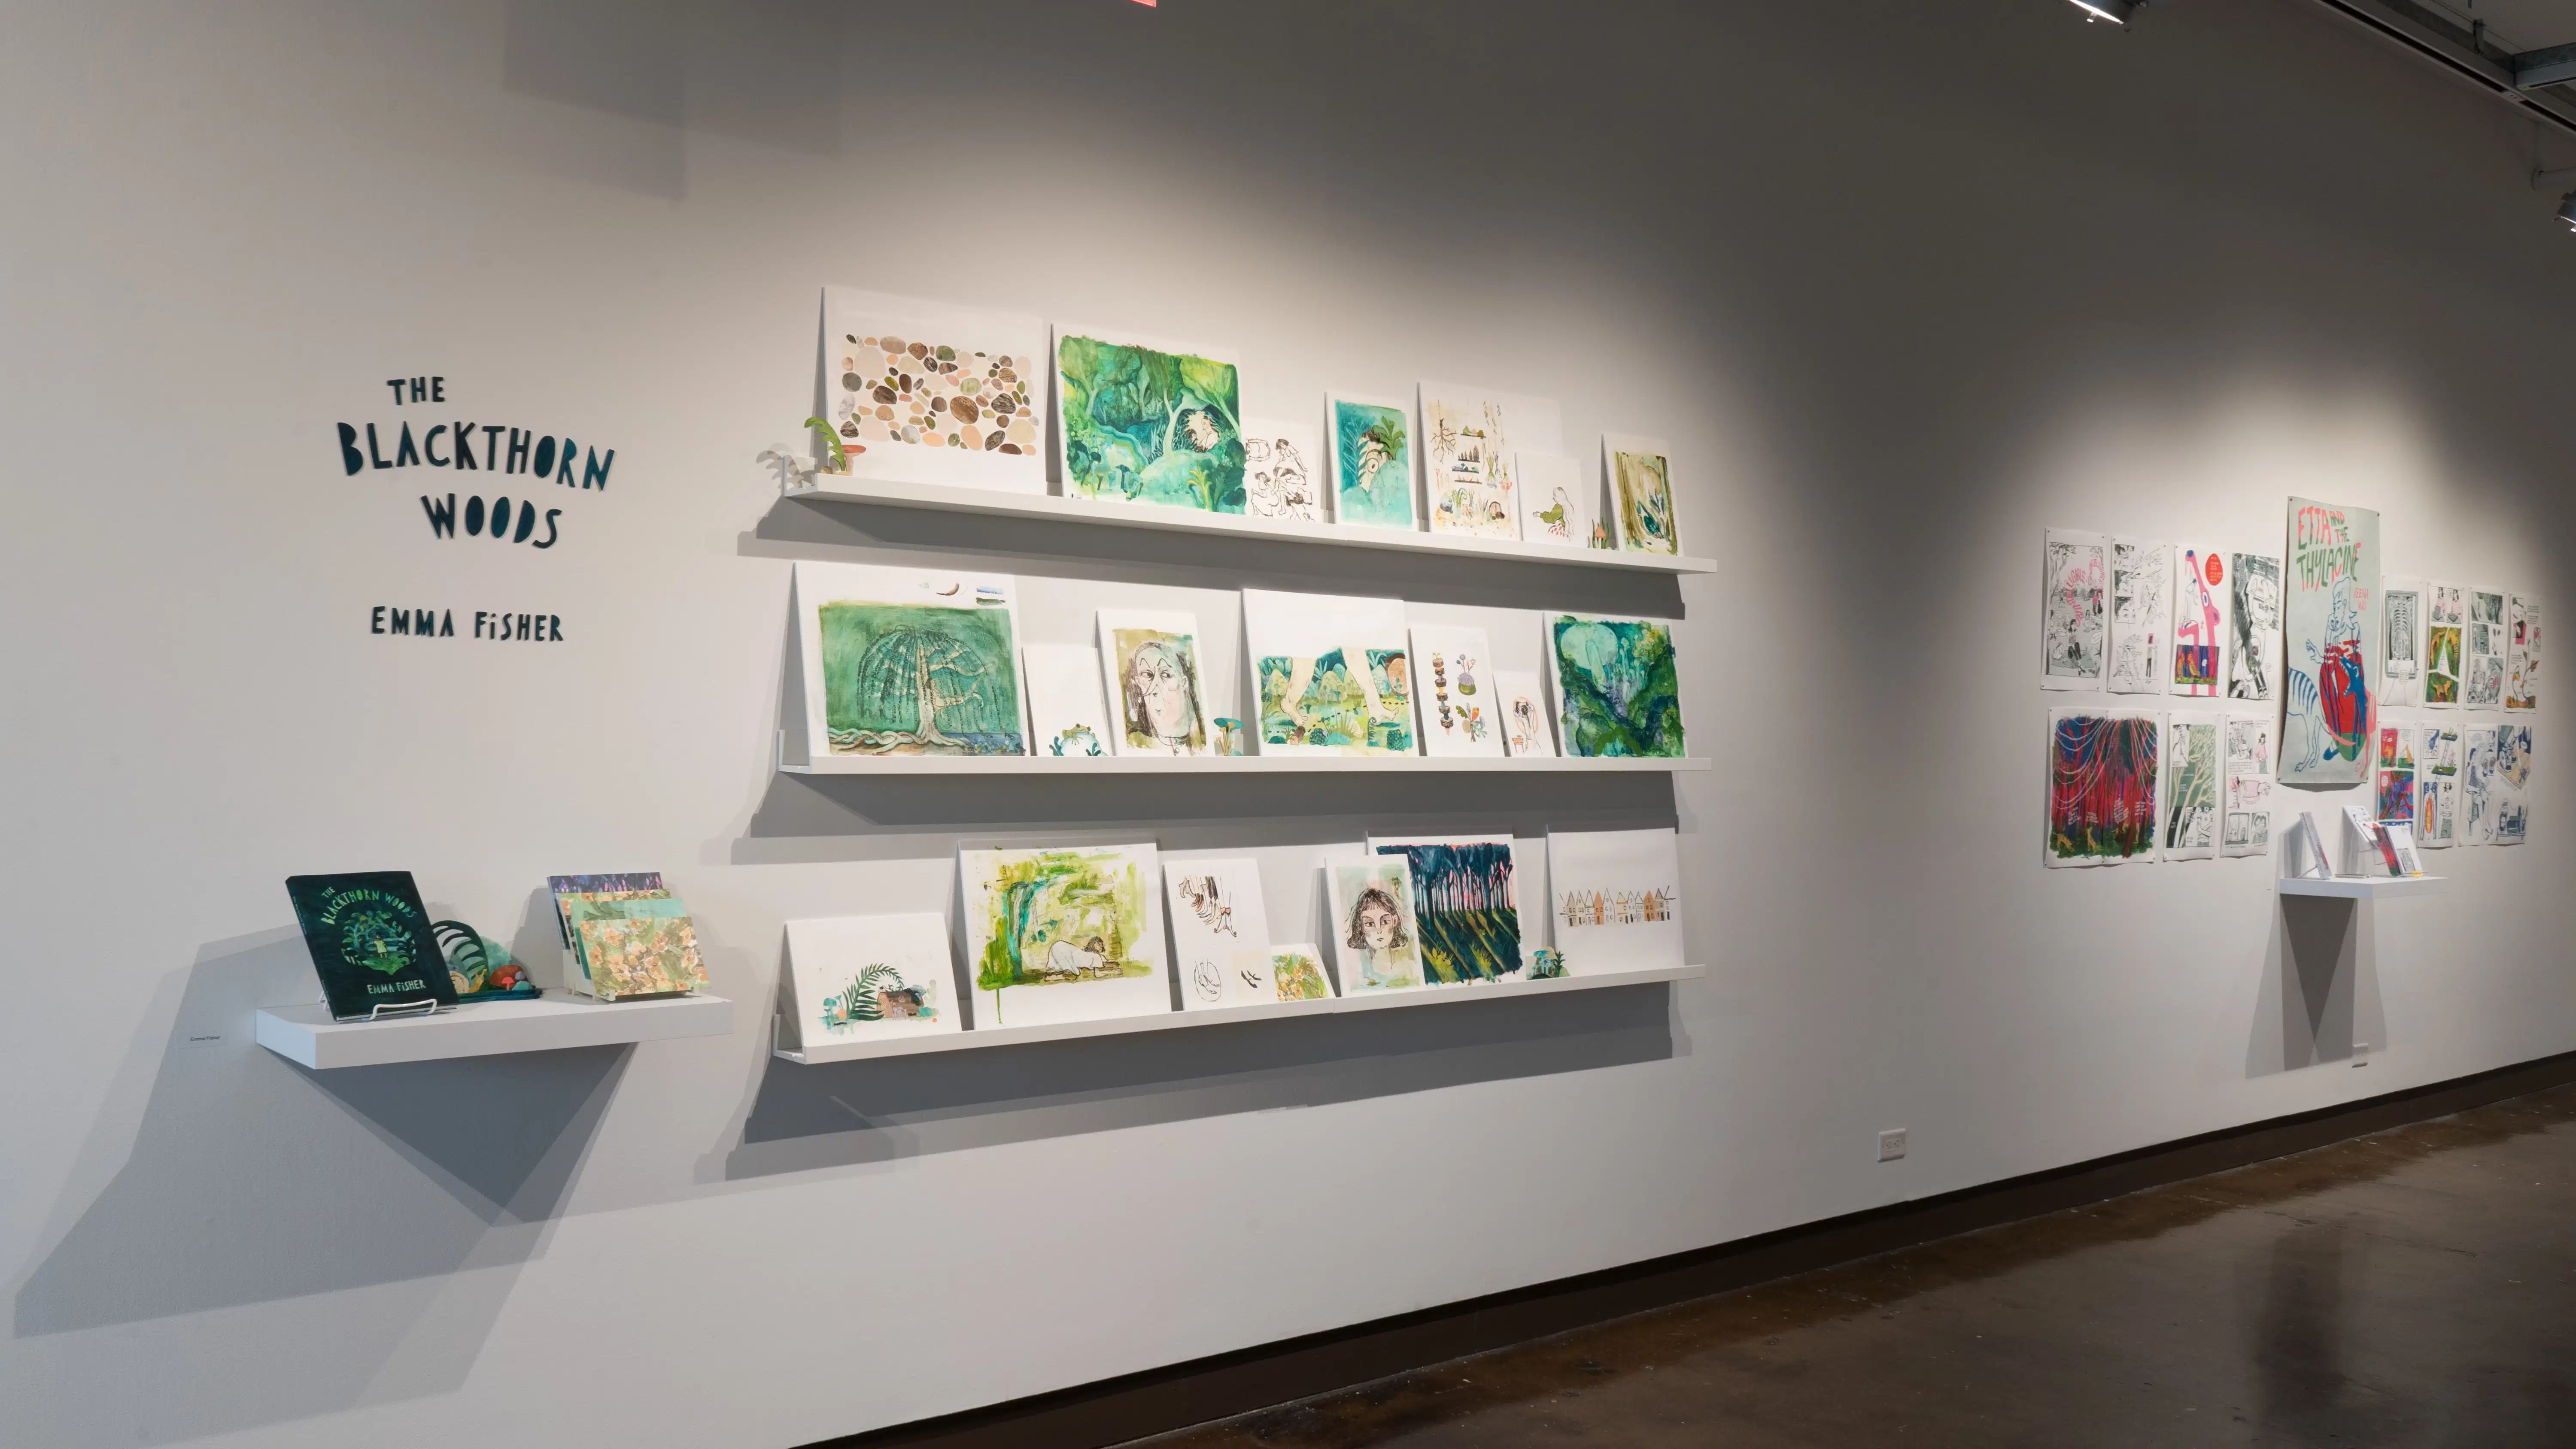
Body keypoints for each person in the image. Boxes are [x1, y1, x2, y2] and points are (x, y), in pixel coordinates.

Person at [1123, 637, 1204, 754]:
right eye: (1148, 675)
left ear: (1184, 683)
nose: (1156, 686)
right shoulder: (1135, 743)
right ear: (1138, 682)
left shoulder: (1202, 742)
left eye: (1166, 675)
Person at [1345, 884, 1418, 989]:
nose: (1379, 930)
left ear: (1395, 921)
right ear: (1360, 927)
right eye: (1370, 924)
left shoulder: (1410, 970)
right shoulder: (1357, 977)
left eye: (1385, 922)